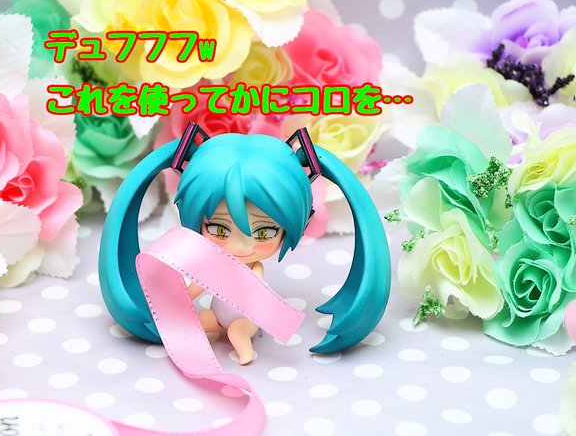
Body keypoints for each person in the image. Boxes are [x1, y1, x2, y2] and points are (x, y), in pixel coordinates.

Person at [99, 122, 390, 362]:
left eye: (263, 233)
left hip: (243, 319)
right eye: (219, 228)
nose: (240, 246)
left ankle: (245, 353)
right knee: (196, 323)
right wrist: (174, 301)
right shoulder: (210, 265)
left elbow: (254, 293)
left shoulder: (252, 270)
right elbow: (198, 286)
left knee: (238, 332)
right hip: (215, 314)